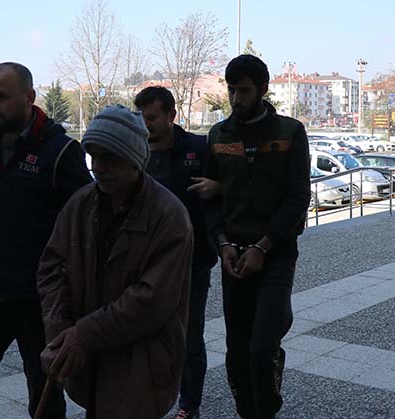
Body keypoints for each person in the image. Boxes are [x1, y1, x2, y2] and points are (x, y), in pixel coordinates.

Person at [0, 62, 93, 419]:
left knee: (44, 400)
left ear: (29, 98)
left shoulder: (61, 152)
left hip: (39, 302)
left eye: (1, 97)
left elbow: (85, 227)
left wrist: (74, 295)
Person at [37, 104, 194, 419]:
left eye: (110, 158)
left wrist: (83, 334)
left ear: (134, 160)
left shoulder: (169, 217)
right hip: (90, 362)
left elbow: (152, 300)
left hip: (142, 361)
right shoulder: (81, 204)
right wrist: (60, 330)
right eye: (94, 157)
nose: (98, 167)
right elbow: (52, 268)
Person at [202, 55, 310, 419]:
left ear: (263, 89)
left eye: (244, 91)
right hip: (233, 255)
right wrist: (222, 243)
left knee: (262, 350)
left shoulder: (290, 132)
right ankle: (247, 411)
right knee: (236, 354)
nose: (236, 99)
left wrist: (264, 247)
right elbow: (209, 199)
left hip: (276, 254)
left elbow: (298, 197)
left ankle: (266, 409)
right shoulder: (218, 136)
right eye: (231, 90)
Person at [134, 86, 218, 419]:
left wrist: (219, 187)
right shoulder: (136, 151)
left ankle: (189, 404)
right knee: (146, 331)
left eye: (152, 117)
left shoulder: (199, 148)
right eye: (142, 118)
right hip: (146, 261)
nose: (146, 124)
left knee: (189, 335)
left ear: (172, 115)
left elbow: (231, 186)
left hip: (193, 262)